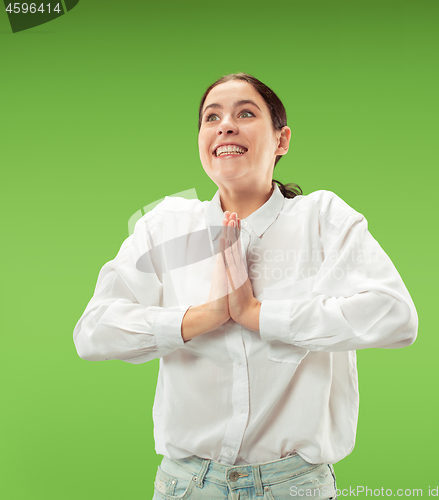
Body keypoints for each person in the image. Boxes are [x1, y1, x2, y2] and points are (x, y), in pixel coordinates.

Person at [73, 72, 418, 500]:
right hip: (185, 486)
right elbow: (93, 332)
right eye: (211, 117)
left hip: (294, 486)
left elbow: (396, 317)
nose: (225, 125)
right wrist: (205, 316)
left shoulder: (323, 219)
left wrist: (258, 315)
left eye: (246, 113)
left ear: (281, 140)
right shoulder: (166, 225)